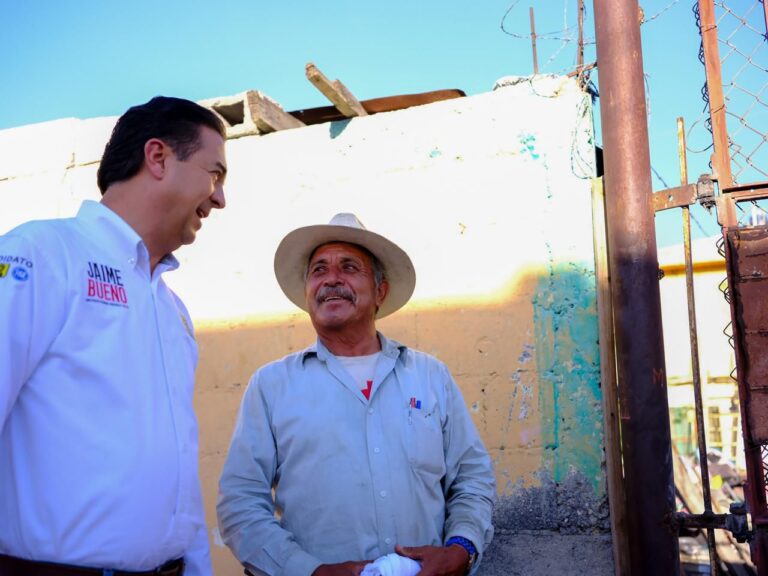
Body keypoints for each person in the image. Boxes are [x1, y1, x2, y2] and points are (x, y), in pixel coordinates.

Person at [0, 96, 228, 576]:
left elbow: (181, 472)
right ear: (158, 157)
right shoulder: (39, 255)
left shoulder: (174, 311)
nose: (220, 198)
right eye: (216, 174)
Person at [217, 213, 495, 576]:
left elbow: (472, 478)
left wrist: (461, 549)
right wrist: (309, 571)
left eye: (349, 267)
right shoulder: (271, 385)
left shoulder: (430, 377)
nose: (332, 279)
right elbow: (240, 502)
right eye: (318, 270)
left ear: (380, 291)